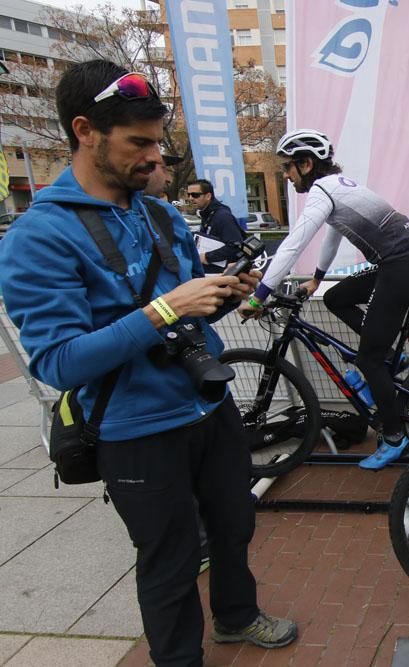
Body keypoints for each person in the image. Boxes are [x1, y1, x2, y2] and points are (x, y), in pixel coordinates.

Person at [0, 60, 297, 664]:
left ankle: (236, 618)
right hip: (133, 429)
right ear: (85, 131)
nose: (154, 157)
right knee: (171, 557)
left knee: (234, 526)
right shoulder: (37, 237)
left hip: (207, 405)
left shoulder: (158, 213)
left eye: (157, 142)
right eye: (139, 143)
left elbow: (188, 316)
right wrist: (165, 310)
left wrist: (218, 296)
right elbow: (57, 364)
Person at [240, 129, 409, 470]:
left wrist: (259, 297)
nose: (286, 175)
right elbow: (333, 233)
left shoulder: (320, 190)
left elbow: (292, 245)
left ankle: (394, 438)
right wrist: (317, 277)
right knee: (337, 297)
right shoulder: (340, 185)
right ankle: (390, 358)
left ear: (306, 163)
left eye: (287, 168)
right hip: (403, 265)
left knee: (370, 363)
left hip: (399, 269)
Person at [188, 178, 244, 273]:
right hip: (211, 272)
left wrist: (207, 257)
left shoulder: (223, 216)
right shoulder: (207, 214)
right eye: (188, 195)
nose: (190, 198)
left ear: (208, 196)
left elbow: (236, 245)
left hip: (224, 273)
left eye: (195, 195)